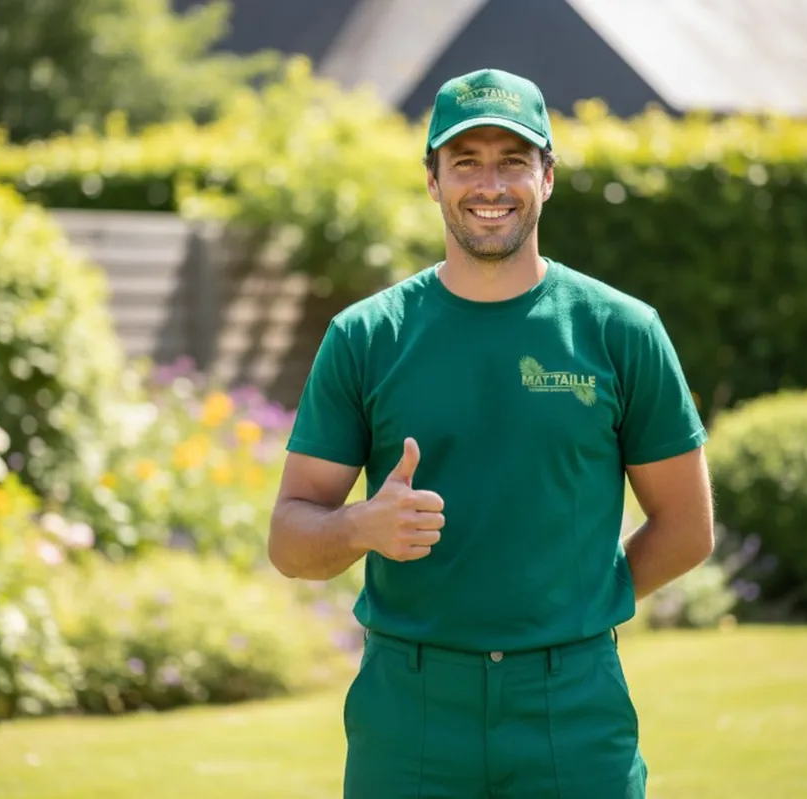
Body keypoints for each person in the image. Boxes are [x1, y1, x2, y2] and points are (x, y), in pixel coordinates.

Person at [268, 67, 714, 799]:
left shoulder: (621, 331)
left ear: (547, 174)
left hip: (572, 706)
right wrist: (361, 525)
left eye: (512, 159)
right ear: (432, 179)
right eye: (465, 161)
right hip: (409, 713)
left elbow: (688, 527)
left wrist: (573, 610)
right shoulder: (366, 336)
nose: (489, 184)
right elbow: (289, 539)